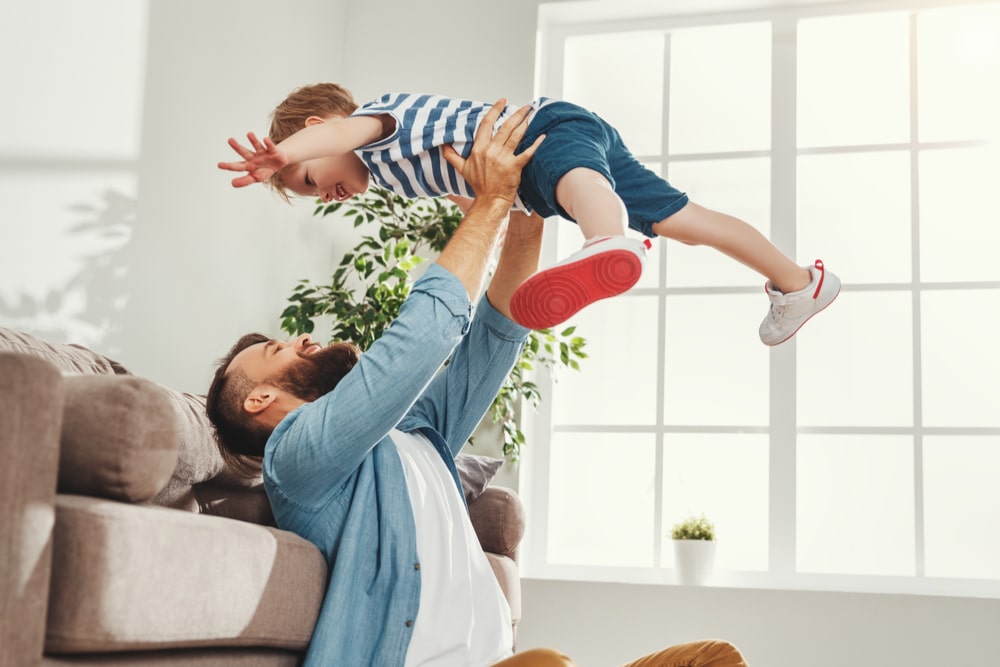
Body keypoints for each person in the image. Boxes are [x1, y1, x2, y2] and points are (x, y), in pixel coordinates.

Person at [207, 100, 752, 667]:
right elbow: (421, 339)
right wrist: (488, 202)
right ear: (259, 398)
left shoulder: (414, 435)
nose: (300, 339)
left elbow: (497, 333)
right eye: (277, 348)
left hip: (500, 660)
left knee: (715, 658)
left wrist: (523, 202)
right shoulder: (295, 459)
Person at [218, 82, 839, 345]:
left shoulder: (377, 124)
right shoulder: (394, 174)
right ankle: (798, 282)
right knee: (687, 222)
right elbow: (475, 195)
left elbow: (335, 136)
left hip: (541, 130)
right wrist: (488, 223)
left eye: (306, 180)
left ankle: (607, 240)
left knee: (577, 183)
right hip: (534, 175)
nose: (320, 192)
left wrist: (279, 157)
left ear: (319, 128)